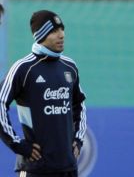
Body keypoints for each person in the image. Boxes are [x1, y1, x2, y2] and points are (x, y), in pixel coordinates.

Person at [0, 10, 87, 177]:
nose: (61, 35)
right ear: (40, 35)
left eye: (62, 29)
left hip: (67, 167)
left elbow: (80, 105)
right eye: (54, 31)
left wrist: (78, 140)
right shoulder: (23, 68)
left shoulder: (69, 66)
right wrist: (17, 144)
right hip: (34, 168)